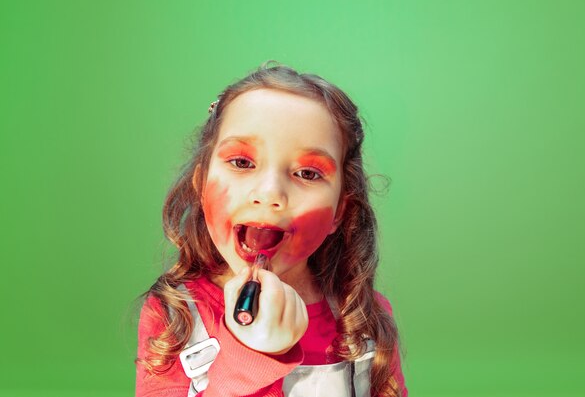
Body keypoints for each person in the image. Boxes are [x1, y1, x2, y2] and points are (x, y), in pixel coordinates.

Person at [135, 63, 408, 397]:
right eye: (242, 163)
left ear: (340, 210)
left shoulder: (364, 319)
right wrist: (252, 355)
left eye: (307, 173)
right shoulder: (176, 314)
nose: (269, 194)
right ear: (200, 184)